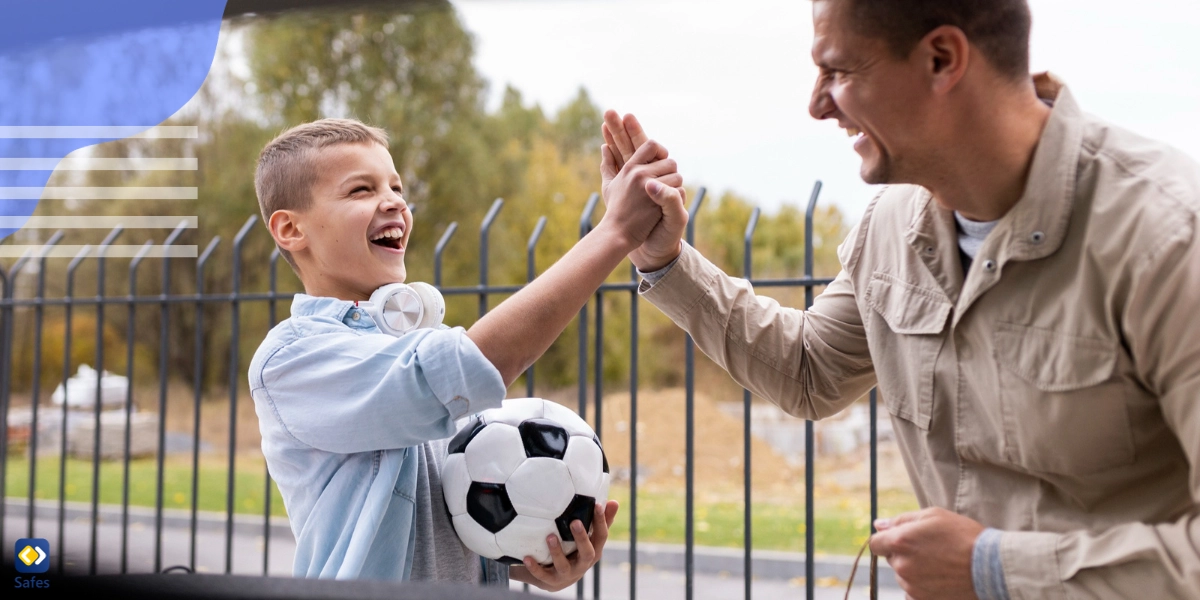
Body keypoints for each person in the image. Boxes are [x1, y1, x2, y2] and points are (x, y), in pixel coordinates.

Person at [603, 0, 1200, 598]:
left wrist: (993, 570)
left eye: (837, 71)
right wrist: (665, 260)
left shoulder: (1168, 238)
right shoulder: (889, 227)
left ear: (942, 59)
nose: (817, 104)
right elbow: (811, 371)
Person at [246, 118, 684, 589]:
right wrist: (614, 233)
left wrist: (531, 557)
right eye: (360, 190)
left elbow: (451, 518)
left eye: (395, 186)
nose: (394, 200)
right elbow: (466, 366)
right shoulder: (293, 361)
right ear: (291, 229)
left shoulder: (406, 340)